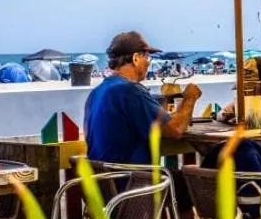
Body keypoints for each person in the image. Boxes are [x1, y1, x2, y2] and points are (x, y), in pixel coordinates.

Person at [85, 31, 200, 166]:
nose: (148, 63)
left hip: (101, 181)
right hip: (131, 181)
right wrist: (189, 97)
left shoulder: (96, 93)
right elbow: (175, 130)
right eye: (147, 57)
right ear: (136, 58)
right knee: (194, 179)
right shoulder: (130, 91)